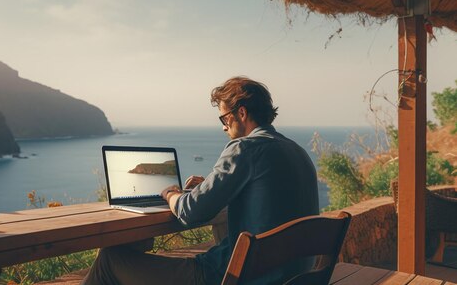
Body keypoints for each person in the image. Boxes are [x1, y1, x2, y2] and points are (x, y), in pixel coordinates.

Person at [83, 76, 319, 285]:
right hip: (290, 276)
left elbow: (192, 211)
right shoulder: (298, 152)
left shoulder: (245, 148)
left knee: (109, 260)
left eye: (224, 118)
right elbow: (267, 198)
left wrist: (171, 194)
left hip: (234, 277)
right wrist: (210, 187)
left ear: (242, 113)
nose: (224, 127)